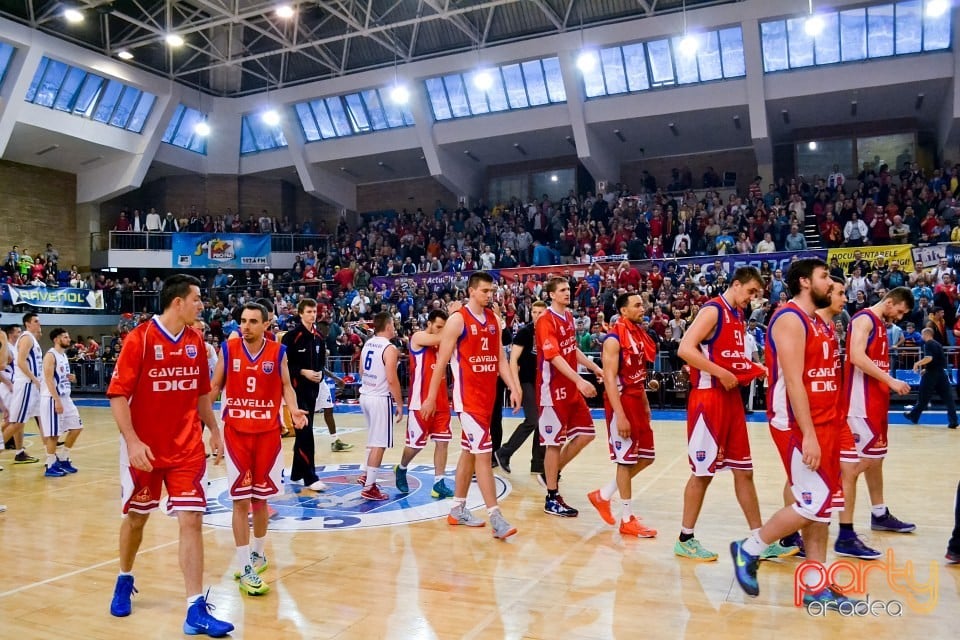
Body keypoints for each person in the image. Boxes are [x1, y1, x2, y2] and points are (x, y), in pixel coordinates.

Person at [107, 274, 233, 637]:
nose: (201, 304)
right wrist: (131, 441)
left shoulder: (196, 342)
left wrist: (213, 429)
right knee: (136, 519)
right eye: (197, 299)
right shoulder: (140, 339)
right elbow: (117, 395)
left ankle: (196, 608)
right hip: (144, 450)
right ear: (177, 302)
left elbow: (199, 395)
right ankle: (124, 577)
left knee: (191, 520)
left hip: (186, 448)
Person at [730, 258, 851, 607]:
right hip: (797, 425)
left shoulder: (822, 323)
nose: (830, 283)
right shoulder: (789, 318)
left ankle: (816, 587)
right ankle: (749, 548)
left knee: (822, 510)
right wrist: (810, 434)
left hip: (825, 422)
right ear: (803, 282)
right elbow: (794, 381)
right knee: (812, 503)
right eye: (824, 276)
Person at [674, 267, 793, 561]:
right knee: (703, 474)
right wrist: (719, 372)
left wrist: (760, 369)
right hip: (708, 398)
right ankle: (685, 538)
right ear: (736, 285)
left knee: (745, 471)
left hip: (730, 400)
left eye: (757, 295)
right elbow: (685, 349)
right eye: (751, 292)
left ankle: (759, 539)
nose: (752, 299)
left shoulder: (738, 317)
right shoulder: (713, 310)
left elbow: (733, 359)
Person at [210, 302, 306, 597]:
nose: (246, 326)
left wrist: (294, 409)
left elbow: (287, 386)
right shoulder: (229, 349)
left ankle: (259, 553)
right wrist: (202, 422)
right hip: (237, 433)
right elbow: (214, 387)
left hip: (267, 434)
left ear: (267, 324)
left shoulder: (277, 352)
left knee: (260, 499)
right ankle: (244, 567)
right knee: (240, 500)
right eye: (243, 320)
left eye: (253, 321)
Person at [420, 271, 522, 539]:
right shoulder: (457, 320)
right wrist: (431, 397)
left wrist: (512, 386)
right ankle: (496, 517)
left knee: (468, 451)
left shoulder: (493, 320)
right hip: (468, 400)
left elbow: (500, 358)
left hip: (488, 399)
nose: (490, 295)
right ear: (472, 291)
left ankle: (457, 509)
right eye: (485, 291)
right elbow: (441, 362)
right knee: (484, 456)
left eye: (492, 291)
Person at [830, 287, 917, 560]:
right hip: (859, 405)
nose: (900, 317)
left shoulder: (880, 324)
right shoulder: (864, 319)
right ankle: (845, 533)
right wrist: (890, 380)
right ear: (889, 302)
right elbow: (856, 356)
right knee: (854, 467)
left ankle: (879, 513)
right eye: (899, 311)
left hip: (876, 403)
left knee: (876, 459)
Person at [586, 292, 659, 537]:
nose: (643, 308)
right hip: (622, 403)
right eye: (637, 305)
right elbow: (609, 379)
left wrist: (646, 402)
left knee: (647, 457)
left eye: (643, 304)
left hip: (637, 398)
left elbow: (638, 373)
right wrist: (620, 415)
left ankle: (603, 495)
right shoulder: (613, 340)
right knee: (625, 461)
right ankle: (626, 519)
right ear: (623, 311)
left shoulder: (638, 334)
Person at [537, 276, 604, 517]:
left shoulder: (568, 317)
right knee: (553, 444)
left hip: (571, 388)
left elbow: (571, 349)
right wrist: (579, 379)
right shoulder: (545, 320)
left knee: (586, 435)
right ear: (552, 295)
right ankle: (552, 497)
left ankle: (550, 474)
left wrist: (594, 367)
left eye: (569, 289)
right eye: (563, 290)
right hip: (552, 391)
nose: (568, 293)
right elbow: (554, 356)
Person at [394, 308, 455, 499]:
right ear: (428, 324)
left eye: (444, 327)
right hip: (420, 402)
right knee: (416, 445)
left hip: (442, 402)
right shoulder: (418, 337)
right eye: (438, 326)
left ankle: (439, 483)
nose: (440, 330)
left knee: (443, 443)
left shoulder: (442, 344)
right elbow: (442, 338)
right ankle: (401, 468)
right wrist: (456, 320)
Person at [494, 301, 547, 475]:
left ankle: (538, 464)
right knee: (533, 420)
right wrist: (516, 387)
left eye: (540, 312)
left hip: (541, 382)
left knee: (542, 422)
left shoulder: (547, 330)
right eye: (534, 311)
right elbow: (513, 360)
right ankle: (504, 452)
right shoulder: (525, 332)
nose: (537, 315)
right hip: (525, 381)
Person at [281, 298, 328, 492]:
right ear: (300, 313)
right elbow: (285, 366)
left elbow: (321, 363)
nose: (312, 315)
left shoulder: (319, 338)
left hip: (312, 391)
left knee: (304, 432)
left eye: (314, 312)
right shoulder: (292, 337)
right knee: (306, 434)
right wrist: (303, 372)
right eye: (308, 311)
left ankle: (297, 472)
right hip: (296, 391)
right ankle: (310, 476)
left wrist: (319, 374)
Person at [357, 312, 404, 501]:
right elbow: (392, 380)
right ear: (388, 325)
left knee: (372, 438)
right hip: (379, 398)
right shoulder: (390, 348)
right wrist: (400, 403)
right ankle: (369, 487)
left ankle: (366, 474)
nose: (395, 327)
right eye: (393, 324)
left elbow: (361, 370)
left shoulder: (368, 342)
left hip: (365, 395)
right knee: (380, 443)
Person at [39, 328, 82, 477]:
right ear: (57, 339)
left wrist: (71, 377)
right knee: (53, 434)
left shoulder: (63, 355)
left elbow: (60, 376)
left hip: (66, 397)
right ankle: (50, 464)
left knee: (77, 427)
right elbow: (48, 379)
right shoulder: (51, 355)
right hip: (52, 398)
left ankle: (63, 458)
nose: (68, 339)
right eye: (65, 337)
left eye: (68, 337)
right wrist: (57, 400)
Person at [6, 313, 43, 464]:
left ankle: (23, 452)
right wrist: (34, 379)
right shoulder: (27, 337)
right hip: (26, 383)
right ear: (27, 324)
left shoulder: (32, 338)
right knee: (16, 422)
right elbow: (21, 362)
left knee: (40, 418)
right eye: (35, 321)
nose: (39, 323)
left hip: (32, 385)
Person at [904, 328, 958, 428]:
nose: (921, 337)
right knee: (948, 399)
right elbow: (937, 360)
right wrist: (927, 368)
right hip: (941, 374)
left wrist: (917, 363)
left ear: (925, 335)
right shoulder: (937, 344)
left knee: (923, 398)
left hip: (931, 375)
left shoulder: (928, 344)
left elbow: (929, 358)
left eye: (922, 335)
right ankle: (953, 421)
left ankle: (913, 416)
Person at [316, 320, 352, 453]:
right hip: (310, 383)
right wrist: (337, 378)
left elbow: (321, 367)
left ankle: (335, 440)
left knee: (328, 409)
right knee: (307, 414)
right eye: (327, 330)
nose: (328, 333)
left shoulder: (321, 341)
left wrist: (336, 379)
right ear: (320, 328)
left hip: (320, 381)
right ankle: (301, 441)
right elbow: (319, 366)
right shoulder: (314, 340)